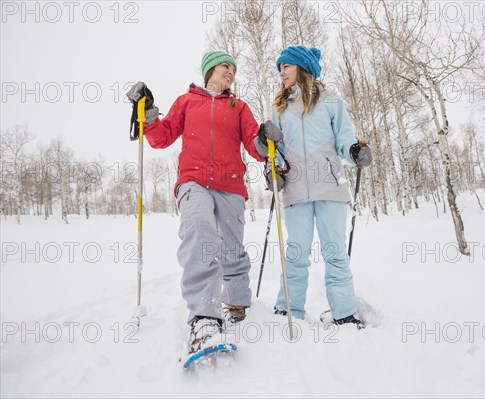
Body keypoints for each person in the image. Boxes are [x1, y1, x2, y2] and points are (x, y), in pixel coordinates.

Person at [126, 50, 267, 356]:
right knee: (200, 233)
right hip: (193, 181)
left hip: (230, 185)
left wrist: (267, 140)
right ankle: (204, 318)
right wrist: (148, 112)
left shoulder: (239, 106)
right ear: (210, 71)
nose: (231, 72)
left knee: (231, 248)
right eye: (225, 66)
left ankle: (237, 300)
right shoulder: (187, 102)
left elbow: (257, 147)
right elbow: (162, 137)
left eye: (233, 68)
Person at [254, 46, 373, 328]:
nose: (281, 72)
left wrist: (355, 151)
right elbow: (277, 149)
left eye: (286, 66)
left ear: (302, 68)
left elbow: (345, 139)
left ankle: (344, 311)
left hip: (330, 187)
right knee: (296, 252)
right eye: (279, 68)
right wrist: (273, 163)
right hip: (295, 190)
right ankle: (288, 310)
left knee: (334, 251)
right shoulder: (279, 107)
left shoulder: (331, 101)